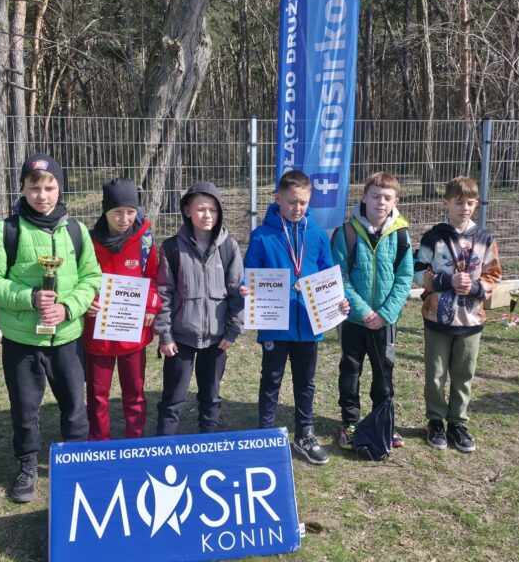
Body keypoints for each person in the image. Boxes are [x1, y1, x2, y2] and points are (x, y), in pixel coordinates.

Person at [0, 154, 102, 502]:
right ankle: (27, 465)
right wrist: (30, 298)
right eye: (34, 188)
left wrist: (68, 307)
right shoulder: (7, 230)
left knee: (74, 405)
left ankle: (77, 462)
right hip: (22, 340)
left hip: (67, 338)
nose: (42, 195)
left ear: (60, 189)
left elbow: (91, 277)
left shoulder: (77, 231)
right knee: (24, 407)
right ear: (22, 189)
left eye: (49, 187)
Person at [242, 169, 350, 465]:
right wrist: (245, 288)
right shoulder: (262, 236)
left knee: (306, 381)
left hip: (309, 323)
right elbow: (249, 273)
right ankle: (265, 434)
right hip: (275, 323)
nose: (297, 208)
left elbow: (328, 274)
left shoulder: (317, 234)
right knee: (271, 379)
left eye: (303, 202)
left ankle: (305, 434)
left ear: (309, 200)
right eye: (291, 201)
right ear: (278, 198)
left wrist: (339, 299)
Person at [413, 175, 502, 453]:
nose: (465, 208)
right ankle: (435, 421)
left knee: (464, 374)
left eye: (470, 203)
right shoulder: (433, 237)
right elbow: (417, 272)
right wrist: (445, 281)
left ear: (476, 204)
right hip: (437, 319)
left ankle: (458, 423)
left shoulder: (485, 238)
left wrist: (475, 287)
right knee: (436, 374)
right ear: (446, 203)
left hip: (471, 319)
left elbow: (494, 274)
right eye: (459, 202)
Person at [153, 181, 244, 436]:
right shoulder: (172, 247)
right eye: (201, 209)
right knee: (173, 397)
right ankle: (164, 443)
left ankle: (208, 440)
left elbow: (237, 293)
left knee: (211, 395)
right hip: (180, 339)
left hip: (216, 339)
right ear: (187, 210)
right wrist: (165, 335)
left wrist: (232, 331)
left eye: (213, 210)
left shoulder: (229, 247)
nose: (207, 215)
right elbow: (164, 293)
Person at [331, 171, 414, 451]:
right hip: (354, 320)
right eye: (376, 196)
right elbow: (340, 277)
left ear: (395, 201)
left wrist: (386, 313)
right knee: (350, 370)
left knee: (383, 372)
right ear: (364, 197)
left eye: (387, 197)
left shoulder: (401, 234)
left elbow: (405, 277)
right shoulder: (346, 233)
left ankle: (382, 420)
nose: (381, 202)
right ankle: (350, 422)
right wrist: (363, 311)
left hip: (385, 321)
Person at [82, 178, 159, 441]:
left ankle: (135, 438)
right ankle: (98, 440)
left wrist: (150, 305)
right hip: (98, 332)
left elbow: (153, 276)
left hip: (132, 331)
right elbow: (79, 279)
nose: (124, 218)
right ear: (105, 211)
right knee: (97, 394)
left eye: (130, 211)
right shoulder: (88, 241)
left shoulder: (145, 242)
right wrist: (86, 301)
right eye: (117, 212)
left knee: (135, 391)